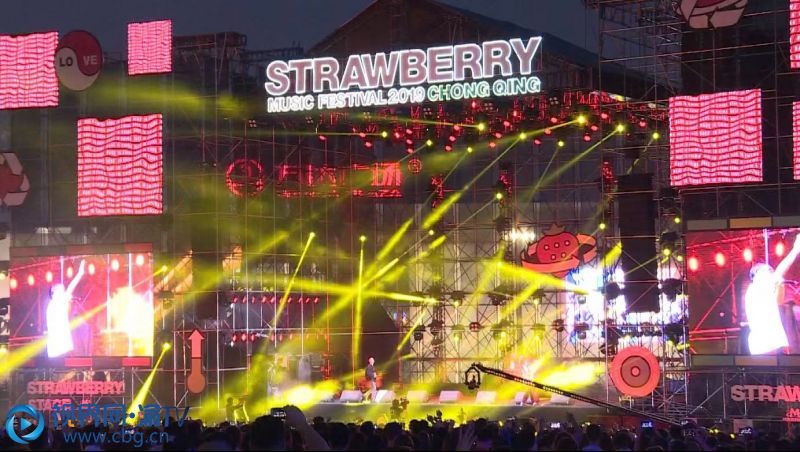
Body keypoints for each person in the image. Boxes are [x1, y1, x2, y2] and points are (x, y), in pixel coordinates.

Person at [745, 234, 800, 355]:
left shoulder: (761, 292)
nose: (771, 273)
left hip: (774, 344)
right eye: (768, 271)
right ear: (757, 275)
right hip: (766, 345)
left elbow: (778, 302)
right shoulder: (755, 288)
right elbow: (779, 273)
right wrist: (795, 250)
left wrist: (780, 286)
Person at [46, 260, 85, 358]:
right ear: (54, 293)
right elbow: (70, 289)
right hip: (59, 350)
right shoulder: (56, 303)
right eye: (62, 291)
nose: (64, 293)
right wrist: (79, 274)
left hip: (60, 349)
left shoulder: (55, 304)